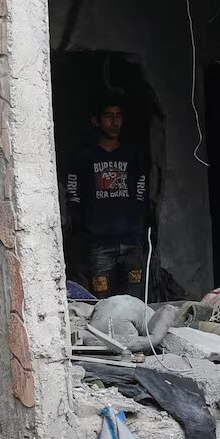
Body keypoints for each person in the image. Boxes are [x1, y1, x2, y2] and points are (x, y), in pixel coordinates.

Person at [65, 98, 149, 298]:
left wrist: (137, 223)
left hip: (132, 241)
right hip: (98, 245)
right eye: (108, 116)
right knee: (103, 302)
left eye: (118, 116)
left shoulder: (132, 155)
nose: (115, 122)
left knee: (135, 301)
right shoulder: (84, 157)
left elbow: (141, 193)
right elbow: (73, 196)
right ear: (96, 121)